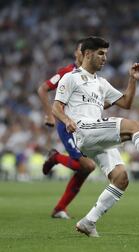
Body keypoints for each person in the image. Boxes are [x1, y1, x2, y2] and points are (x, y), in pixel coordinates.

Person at [52, 36, 139, 237]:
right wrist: (67, 121)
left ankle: (88, 222)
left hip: (95, 136)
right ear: (87, 54)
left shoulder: (101, 83)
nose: (105, 58)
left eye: (106, 54)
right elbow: (56, 107)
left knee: (121, 178)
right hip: (84, 129)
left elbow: (126, 102)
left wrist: (132, 80)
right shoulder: (71, 78)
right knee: (134, 126)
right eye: (101, 53)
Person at [37, 39, 97, 219]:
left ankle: (60, 208)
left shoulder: (90, 75)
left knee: (85, 169)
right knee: (88, 165)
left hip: (82, 126)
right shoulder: (66, 72)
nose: (85, 53)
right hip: (66, 124)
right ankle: (55, 157)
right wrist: (49, 114)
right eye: (82, 50)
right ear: (77, 53)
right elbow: (42, 88)